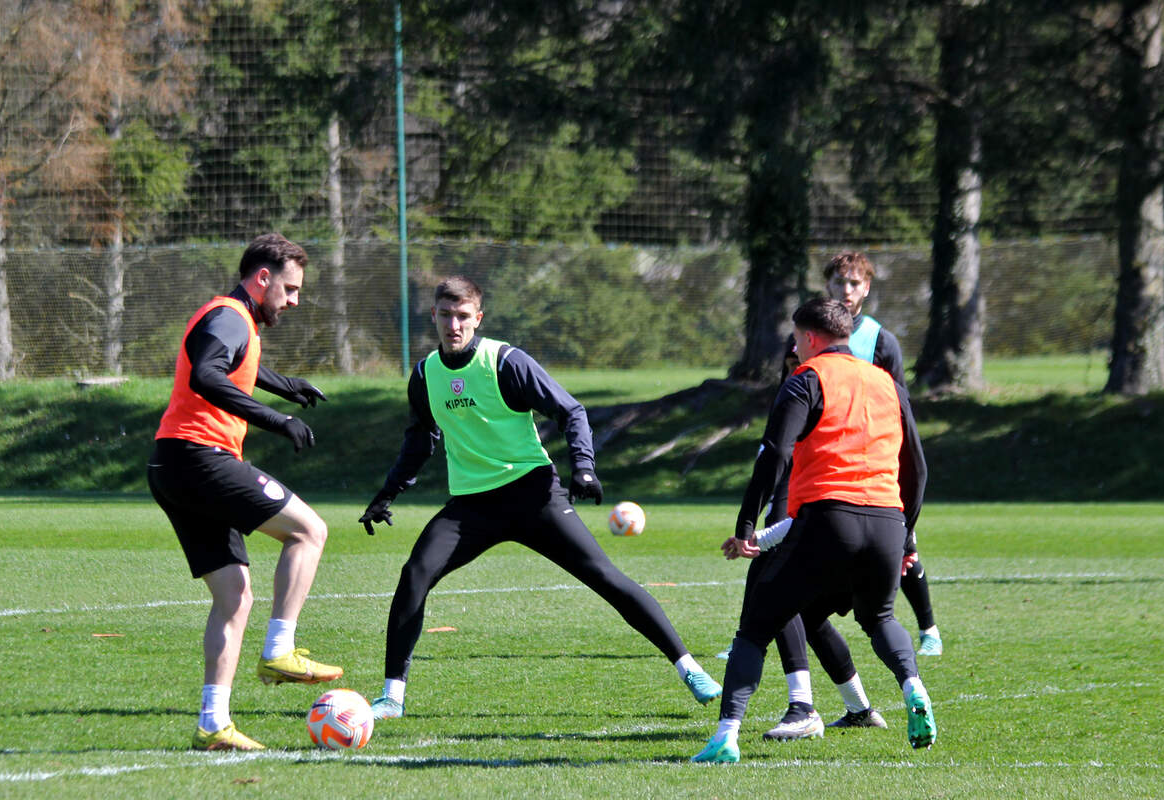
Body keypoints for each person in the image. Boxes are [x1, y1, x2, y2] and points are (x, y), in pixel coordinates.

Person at [358, 276, 722, 720]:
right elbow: (420, 440)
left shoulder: (505, 361)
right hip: (472, 506)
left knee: (604, 577)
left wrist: (583, 466)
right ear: (433, 315)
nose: (454, 325)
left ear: (479, 318)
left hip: (534, 496)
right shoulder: (425, 374)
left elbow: (571, 410)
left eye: (463, 316)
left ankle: (689, 668)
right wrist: (387, 493)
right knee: (415, 574)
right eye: (446, 315)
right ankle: (392, 696)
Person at [692, 297, 934, 763]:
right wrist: (906, 531)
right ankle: (913, 688)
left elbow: (775, 455)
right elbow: (917, 468)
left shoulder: (807, 378)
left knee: (756, 626)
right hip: (887, 519)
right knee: (879, 617)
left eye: (798, 341)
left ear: (808, 337)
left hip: (828, 518)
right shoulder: (887, 383)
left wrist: (746, 527)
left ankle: (726, 735)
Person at [147, 233, 342, 752]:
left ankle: (213, 722)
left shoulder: (231, 318)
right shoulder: (231, 316)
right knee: (309, 530)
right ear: (263, 278)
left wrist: (284, 384)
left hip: (172, 465)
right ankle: (280, 649)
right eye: (291, 288)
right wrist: (278, 419)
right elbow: (209, 375)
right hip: (199, 458)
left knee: (234, 598)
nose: (294, 300)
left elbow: (221, 366)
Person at [824, 250, 942, 657]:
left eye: (853, 283)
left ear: (866, 289)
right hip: (828, 457)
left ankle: (928, 627)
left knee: (901, 541)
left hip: (873, 454)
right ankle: (758, 631)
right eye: (838, 281)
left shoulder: (879, 339)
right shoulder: (808, 334)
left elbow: (898, 404)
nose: (845, 290)